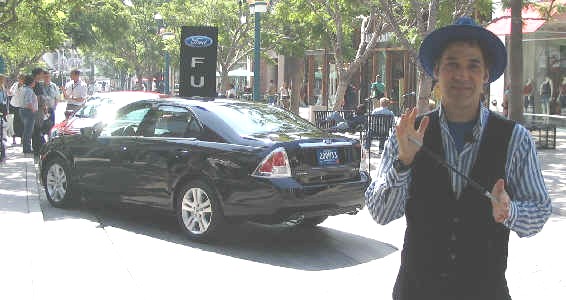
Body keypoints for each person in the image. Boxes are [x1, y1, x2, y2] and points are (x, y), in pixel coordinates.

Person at [365, 17, 551, 300]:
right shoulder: (408, 133)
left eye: (473, 65)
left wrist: (509, 211)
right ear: (437, 71)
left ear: (486, 74)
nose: (462, 75)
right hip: (416, 291)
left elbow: (539, 209)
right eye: (452, 64)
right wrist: (403, 162)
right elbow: (380, 213)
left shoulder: (516, 139)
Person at [18, 75, 38, 154]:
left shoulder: (22, 89)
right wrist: (33, 110)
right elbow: (28, 102)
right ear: (31, 82)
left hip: (22, 110)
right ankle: (27, 148)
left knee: (26, 130)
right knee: (28, 131)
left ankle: (26, 146)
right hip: (28, 111)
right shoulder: (29, 90)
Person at [42, 71, 61, 139]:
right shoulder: (40, 85)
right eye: (45, 77)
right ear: (43, 77)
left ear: (50, 77)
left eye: (48, 77)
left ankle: (50, 139)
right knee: (43, 125)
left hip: (51, 108)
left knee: (51, 125)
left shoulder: (54, 86)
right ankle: (42, 140)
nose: (47, 78)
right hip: (42, 109)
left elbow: (57, 97)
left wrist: (55, 106)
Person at [8, 74, 25, 145]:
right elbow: (10, 93)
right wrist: (9, 92)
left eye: (22, 78)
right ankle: (13, 139)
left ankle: (22, 139)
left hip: (22, 106)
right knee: (13, 123)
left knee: (22, 123)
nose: (20, 80)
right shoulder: (15, 84)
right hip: (14, 106)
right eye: (19, 78)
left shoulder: (26, 86)